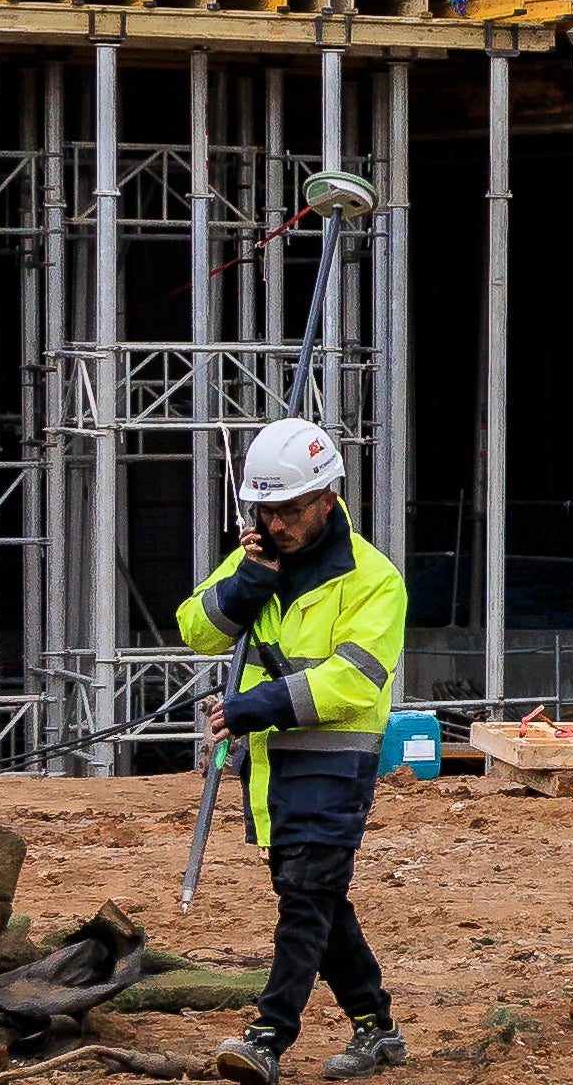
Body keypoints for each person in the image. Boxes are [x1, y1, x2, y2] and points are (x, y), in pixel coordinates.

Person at [180, 417, 411, 1080]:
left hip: (334, 763)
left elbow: (354, 678)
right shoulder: (258, 557)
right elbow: (196, 629)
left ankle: (267, 1036)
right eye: (265, 510)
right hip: (269, 767)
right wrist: (245, 584)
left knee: (306, 898)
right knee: (316, 897)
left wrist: (258, 705)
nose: (275, 523)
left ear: (327, 499)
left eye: (288, 510)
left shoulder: (373, 579)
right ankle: (378, 1028)